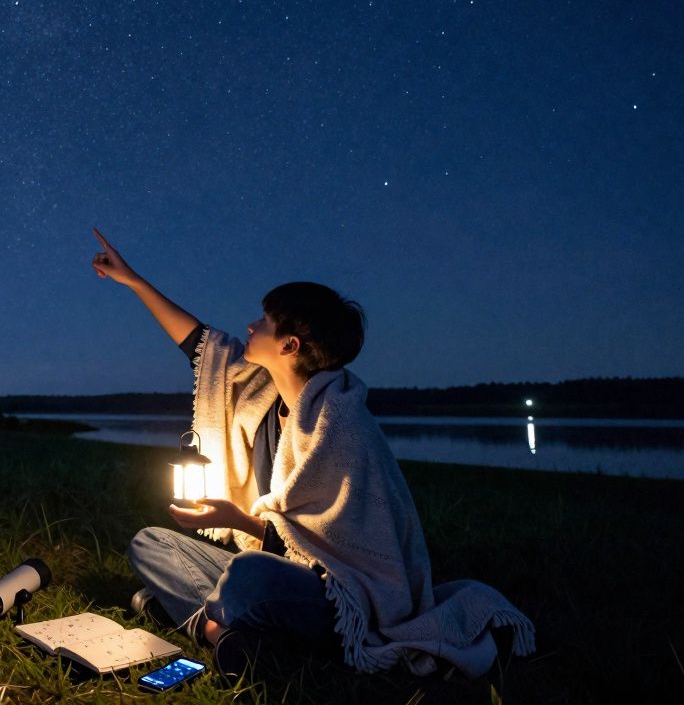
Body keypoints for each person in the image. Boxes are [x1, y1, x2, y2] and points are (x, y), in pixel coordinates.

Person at [90, 228, 535, 679]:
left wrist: (236, 520)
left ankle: (200, 618)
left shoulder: (342, 429)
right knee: (151, 543)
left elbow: (342, 556)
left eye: (263, 321)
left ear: (289, 345)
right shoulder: (257, 393)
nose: (250, 326)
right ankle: (221, 632)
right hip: (277, 575)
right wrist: (135, 282)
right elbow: (199, 345)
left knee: (247, 577)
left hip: (335, 599)